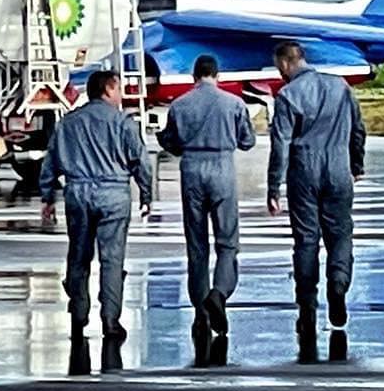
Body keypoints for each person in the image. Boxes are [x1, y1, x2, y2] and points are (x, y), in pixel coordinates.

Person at [40, 69, 153, 341]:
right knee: (111, 260)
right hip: (113, 194)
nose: (121, 95)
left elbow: (50, 162)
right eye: (118, 88)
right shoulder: (123, 122)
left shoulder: (68, 123)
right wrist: (146, 194)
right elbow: (140, 161)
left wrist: (47, 197)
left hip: (77, 192)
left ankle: (78, 314)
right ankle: (110, 320)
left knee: (78, 256)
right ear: (108, 89)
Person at [266, 41, 366, 339]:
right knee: (340, 233)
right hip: (338, 167)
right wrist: (356, 165)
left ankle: (307, 308)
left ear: (285, 63)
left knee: (306, 240)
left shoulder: (287, 95)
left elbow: (280, 144)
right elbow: (358, 129)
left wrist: (274, 186)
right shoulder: (342, 87)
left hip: (304, 170)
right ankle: (338, 282)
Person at [157, 54, 256, 336]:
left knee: (196, 245)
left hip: (191, 170)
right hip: (222, 167)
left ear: (194, 76)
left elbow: (172, 143)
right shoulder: (234, 104)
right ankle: (220, 292)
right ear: (218, 75)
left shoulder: (179, 105)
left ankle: (201, 311)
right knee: (227, 242)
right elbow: (247, 141)